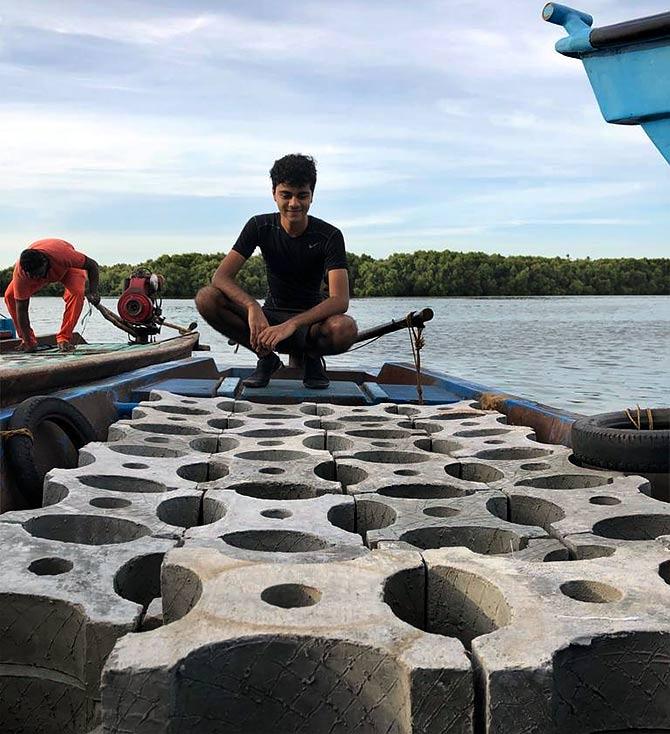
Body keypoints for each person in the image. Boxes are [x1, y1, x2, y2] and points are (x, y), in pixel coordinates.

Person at [196, 154, 357, 389]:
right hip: (269, 318)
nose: (294, 203)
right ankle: (266, 359)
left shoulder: (330, 235)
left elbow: (340, 300)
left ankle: (312, 359)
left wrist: (292, 324)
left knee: (345, 329)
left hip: (311, 326)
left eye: (302, 195)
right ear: (274, 194)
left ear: (312, 196)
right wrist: (252, 307)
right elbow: (220, 277)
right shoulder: (259, 226)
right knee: (207, 298)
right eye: (286, 195)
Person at [4, 238, 100, 353]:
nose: (36, 278)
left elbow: (93, 265)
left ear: (45, 262)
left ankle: (64, 338)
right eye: (32, 275)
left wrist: (93, 291)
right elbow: (22, 310)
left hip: (68, 270)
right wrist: (29, 342)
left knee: (77, 293)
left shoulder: (63, 255)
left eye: (38, 274)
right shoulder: (22, 274)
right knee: (10, 296)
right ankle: (26, 339)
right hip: (39, 271)